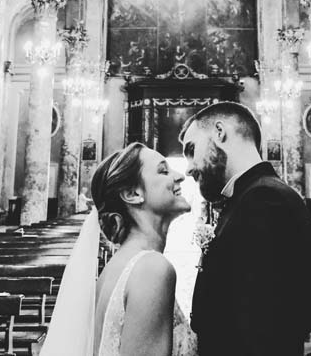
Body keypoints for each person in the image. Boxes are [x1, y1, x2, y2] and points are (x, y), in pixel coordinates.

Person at [181, 102, 311, 356]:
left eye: (192, 150)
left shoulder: (264, 201)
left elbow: (266, 329)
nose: (189, 168)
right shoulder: (250, 196)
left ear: (219, 132)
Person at [39, 142, 197, 356]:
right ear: (132, 193)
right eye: (163, 171)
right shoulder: (151, 269)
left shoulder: (118, 266)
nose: (179, 176)